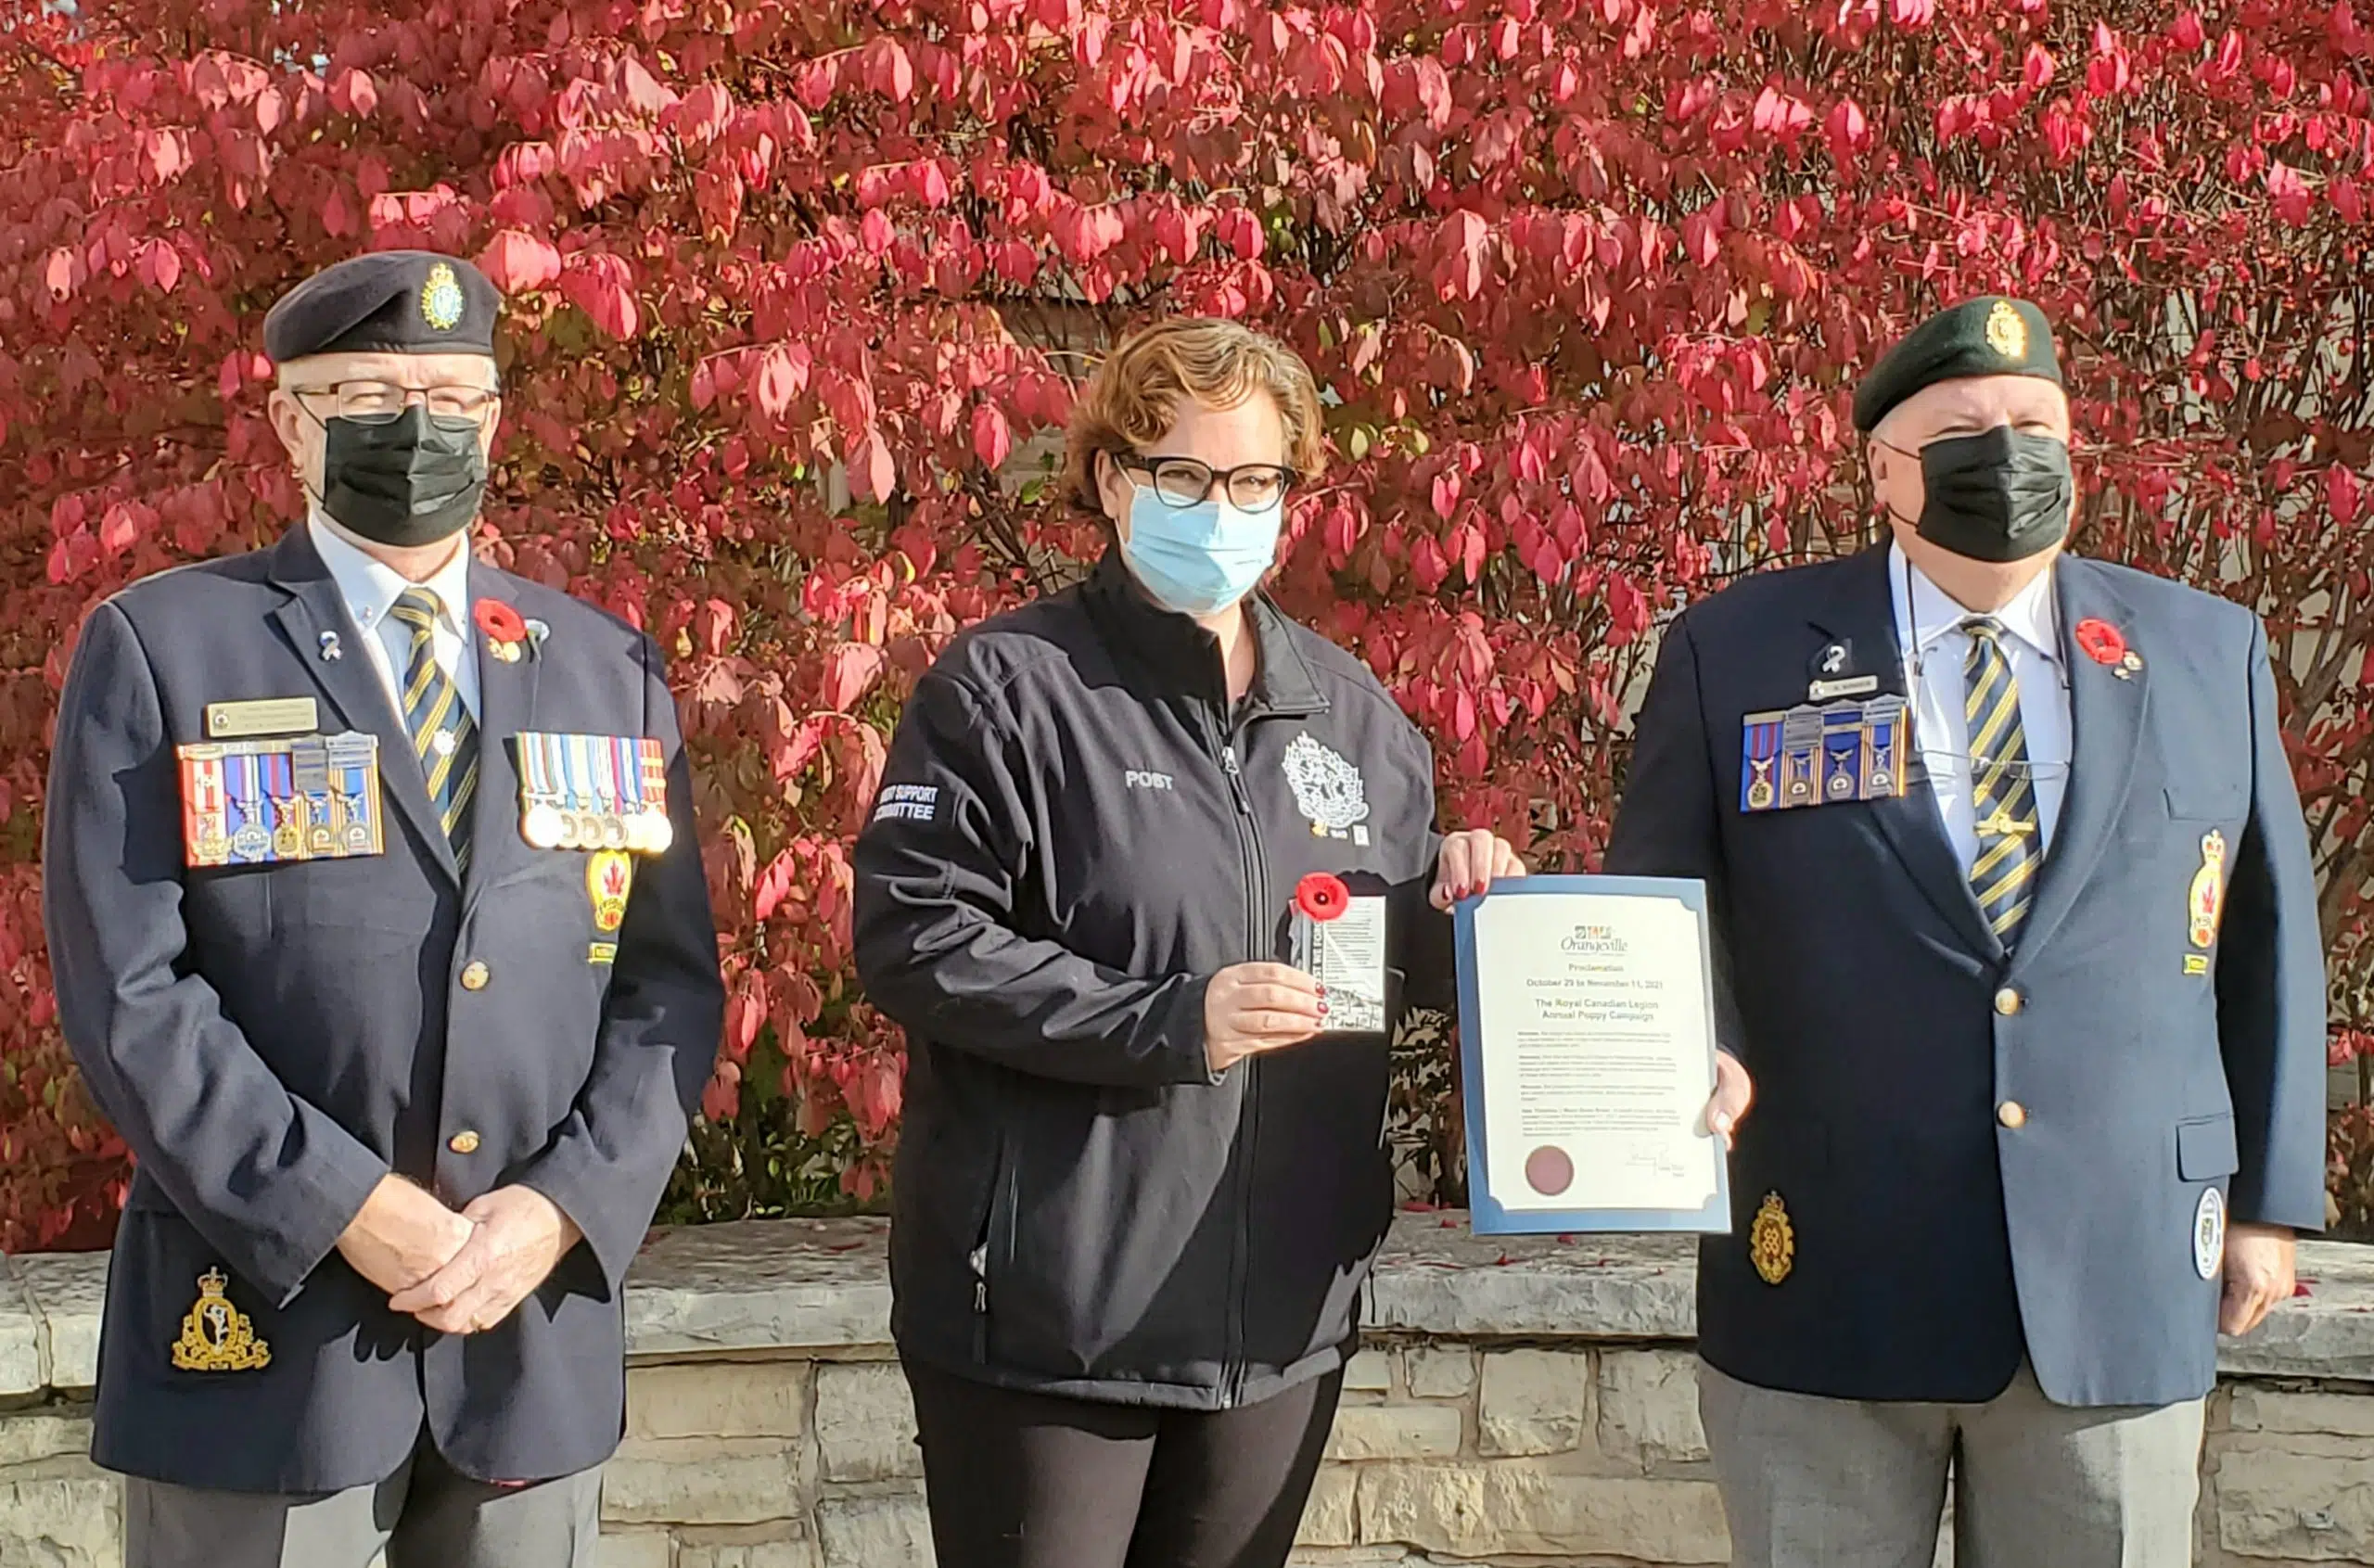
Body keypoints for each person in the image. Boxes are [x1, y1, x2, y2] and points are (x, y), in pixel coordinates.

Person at [1604, 295, 2328, 1566]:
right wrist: (1684, 1052)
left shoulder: (2209, 651)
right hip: (1826, 1269)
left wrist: (2268, 1203)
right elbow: (1664, 902)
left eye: (2035, 423)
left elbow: (2267, 937)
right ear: (1883, 466)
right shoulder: (1743, 650)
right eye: (1964, 428)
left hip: (2116, 1274)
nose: (2009, 451)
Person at [42, 250, 724, 1568]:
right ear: (290, 421)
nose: (416, 426)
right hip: (264, 1336)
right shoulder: (168, 645)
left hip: (528, 1340)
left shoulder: (604, 665)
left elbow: (667, 987)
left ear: (497, 422)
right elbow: (131, 999)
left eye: (453, 396)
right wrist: (349, 1201)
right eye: (364, 390)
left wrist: (560, 1206)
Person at [853, 316, 1525, 1568]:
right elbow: (916, 936)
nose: (1222, 508)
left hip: (1277, 1322)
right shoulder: (1008, 689)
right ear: (1113, 479)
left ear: (1292, 493)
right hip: (1054, 1324)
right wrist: (1173, 1019)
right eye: (1184, 475)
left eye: (1255, 479)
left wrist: (1470, 904)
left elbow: (1377, 962)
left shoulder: (1357, 717)